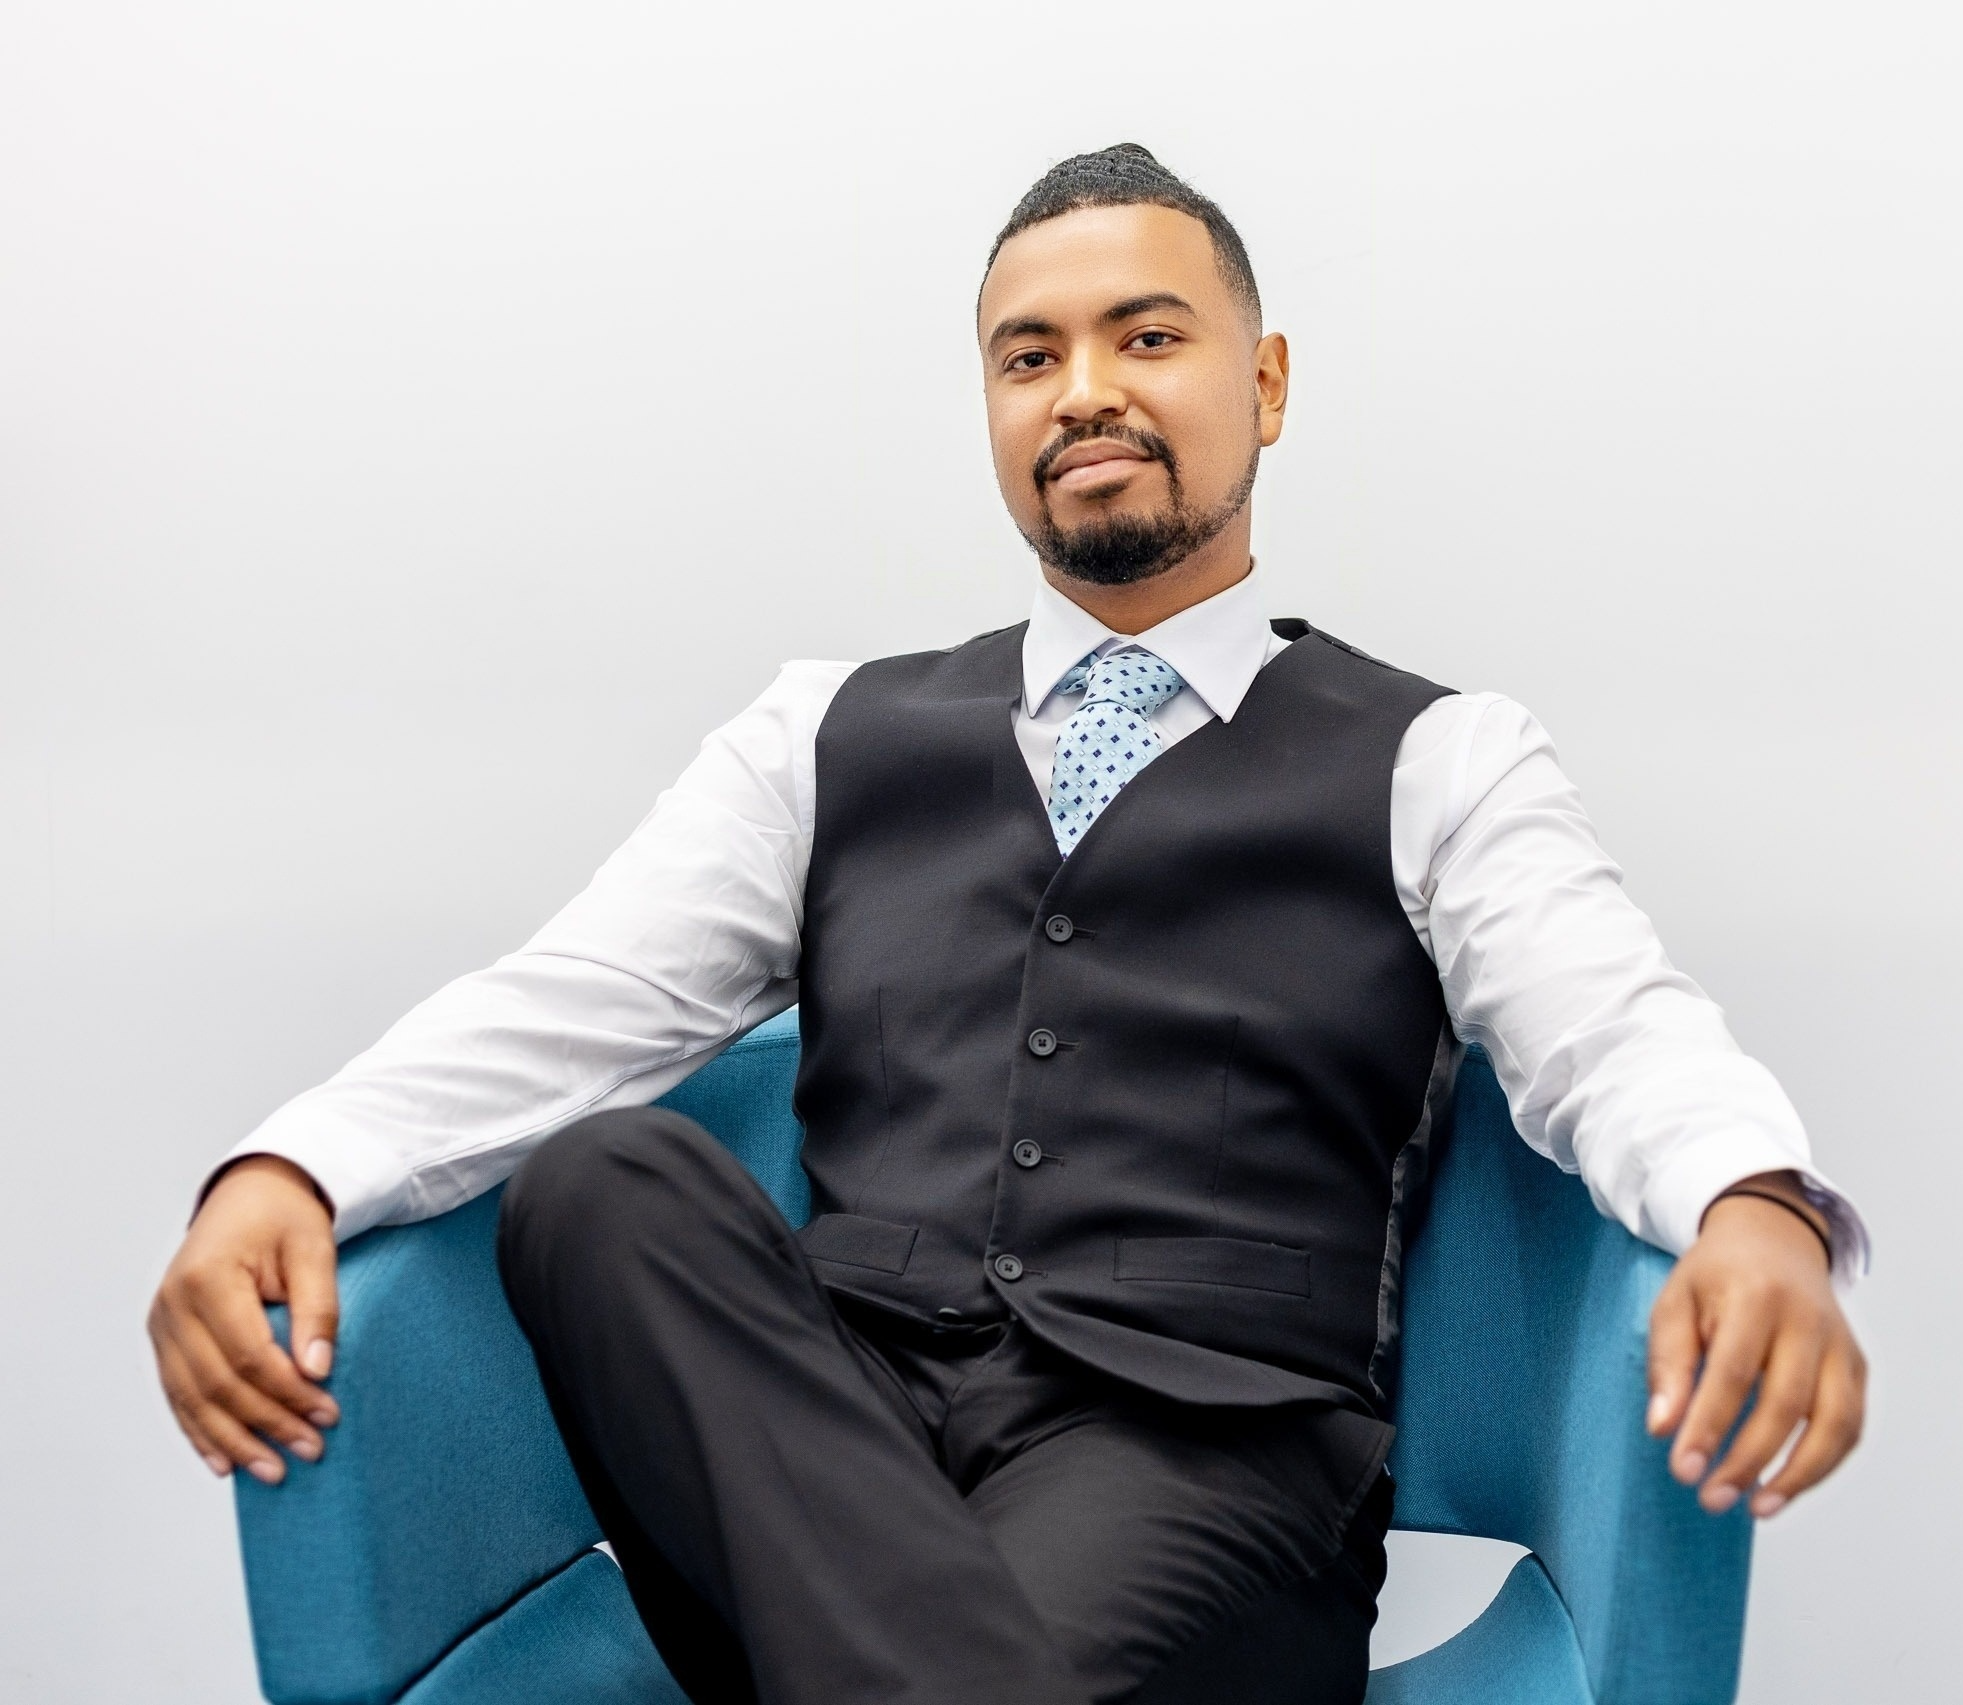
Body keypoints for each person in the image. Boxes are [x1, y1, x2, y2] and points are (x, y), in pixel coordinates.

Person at [149, 145, 1869, 1703]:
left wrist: (1750, 1201)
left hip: (1203, 1463)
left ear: (1264, 386)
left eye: (1148, 337)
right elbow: (570, 999)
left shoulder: (1440, 757)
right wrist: (285, 1169)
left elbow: (1613, 1027)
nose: (1085, 392)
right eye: (1028, 357)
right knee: (606, 1180)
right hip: (824, 1435)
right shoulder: (820, 733)